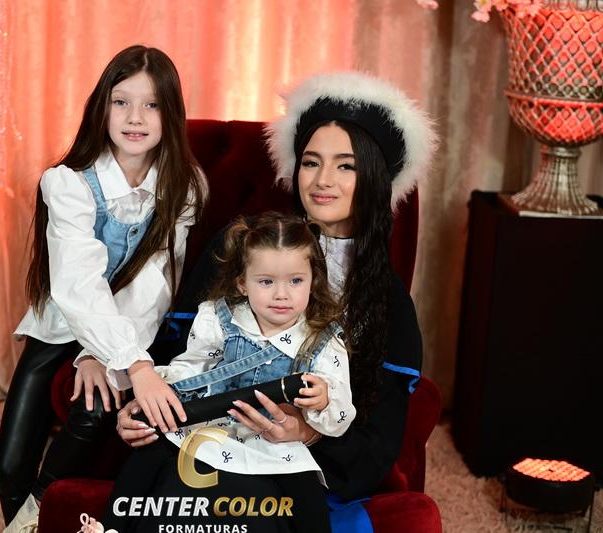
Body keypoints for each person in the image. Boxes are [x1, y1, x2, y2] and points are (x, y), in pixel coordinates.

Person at [115, 71, 437, 532]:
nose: (323, 181)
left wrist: (307, 433)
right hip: (207, 439)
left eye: (346, 166)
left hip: (297, 468)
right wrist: (139, 406)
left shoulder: (388, 302)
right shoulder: (244, 247)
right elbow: (181, 356)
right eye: (311, 162)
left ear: (374, 177)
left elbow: (380, 440)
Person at [0, 45, 206, 532]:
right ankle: (18, 515)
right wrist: (111, 356)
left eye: (152, 105)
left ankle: (34, 522)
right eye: (121, 102)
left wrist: (115, 358)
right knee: (9, 466)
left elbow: (154, 285)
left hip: (130, 326)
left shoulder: (183, 187)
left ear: (171, 114)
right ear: (101, 107)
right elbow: (77, 285)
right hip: (61, 324)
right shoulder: (68, 183)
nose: (135, 118)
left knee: (93, 410)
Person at [81, 212, 355, 533]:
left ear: (313, 281)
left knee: (306, 488)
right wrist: (160, 389)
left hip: (274, 440)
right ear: (242, 283)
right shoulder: (219, 319)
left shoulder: (322, 340)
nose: (282, 294)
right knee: (150, 453)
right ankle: (110, 527)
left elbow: (341, 415)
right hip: (209, 425)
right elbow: (191, 368)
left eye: (295, 281)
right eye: (266, 282)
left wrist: (323, 400)